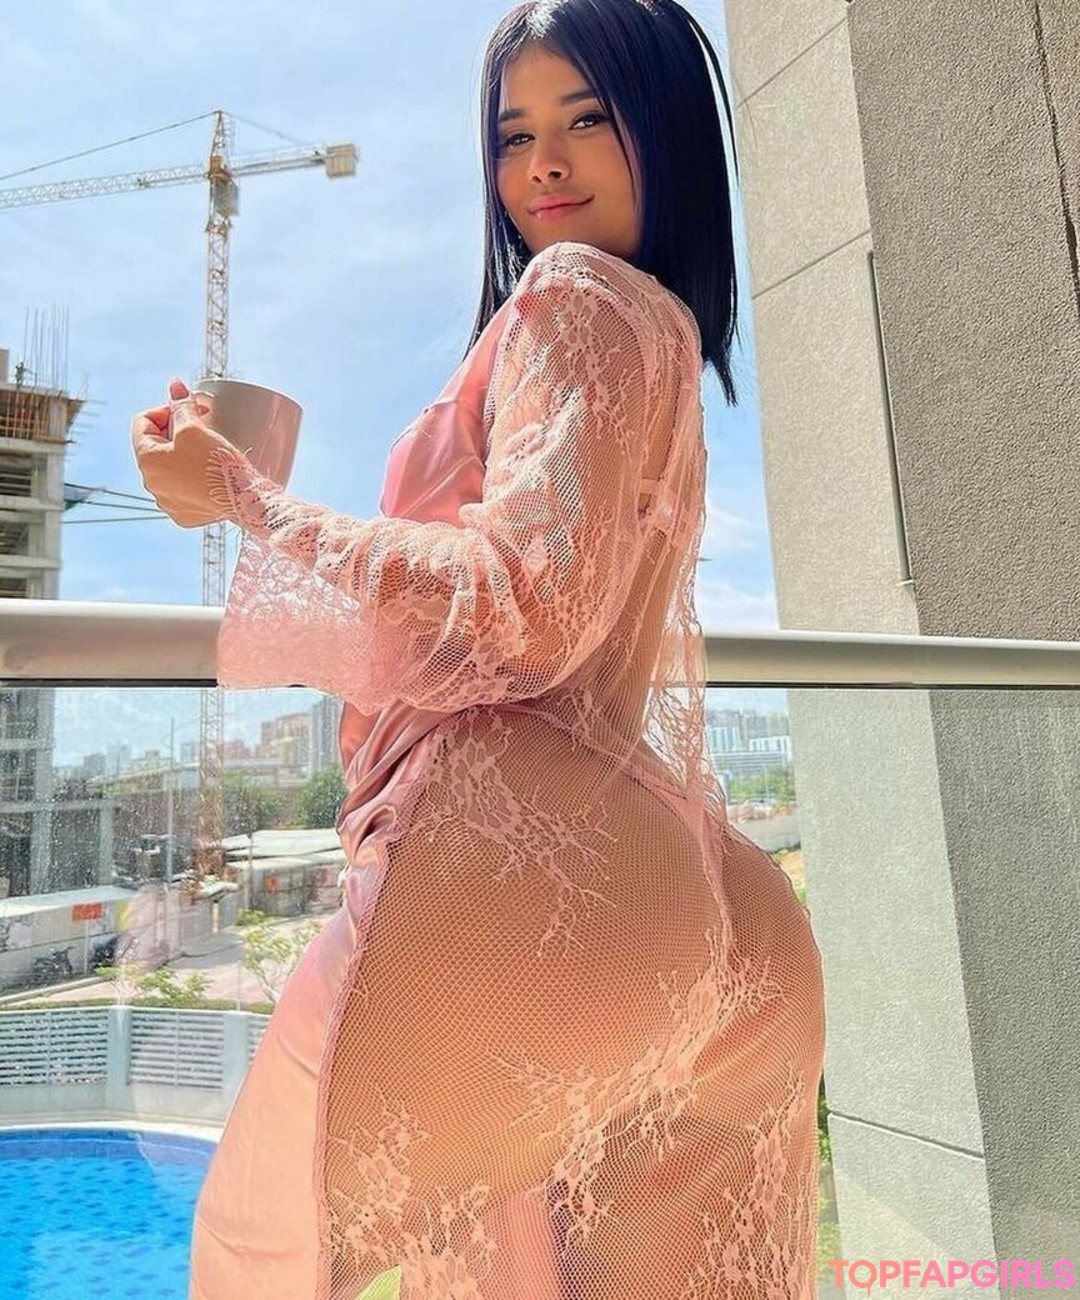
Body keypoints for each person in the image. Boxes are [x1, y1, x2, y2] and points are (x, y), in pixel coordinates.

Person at [132, 1, 826, 1296]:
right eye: (514, 136)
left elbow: (522, 603)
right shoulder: (660, 333)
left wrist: (245, 499)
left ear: (665, 132)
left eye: (587, 120)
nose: (543, 164)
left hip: (522, 886)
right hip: (705, 907)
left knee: (253, 1258)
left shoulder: (570, 298)